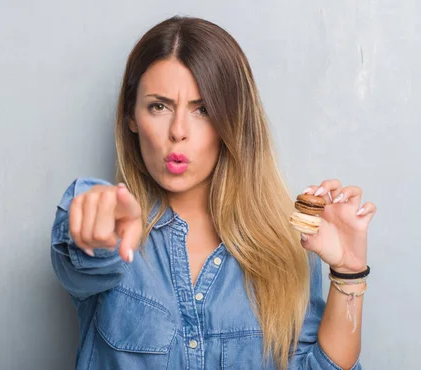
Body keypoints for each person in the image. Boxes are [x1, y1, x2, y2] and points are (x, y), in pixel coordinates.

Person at [50, 16, 375, 370]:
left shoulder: (291, 247)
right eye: (159, 106)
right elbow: (80, 252)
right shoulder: (109, 235)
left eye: (202, 110)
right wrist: (96, 218)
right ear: (131, 115)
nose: (178, 132)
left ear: (231, 121)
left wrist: (348, 271)